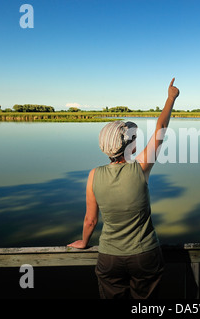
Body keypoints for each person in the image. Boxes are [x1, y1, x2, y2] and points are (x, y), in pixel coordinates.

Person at [68, 78, 180, 299]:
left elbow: (90, 220)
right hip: (144, 255)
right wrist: (170, 98)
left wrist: (84, 242)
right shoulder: (140, 168)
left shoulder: (94, 175)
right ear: (129, 145)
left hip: (109, 257)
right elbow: (161, 128)